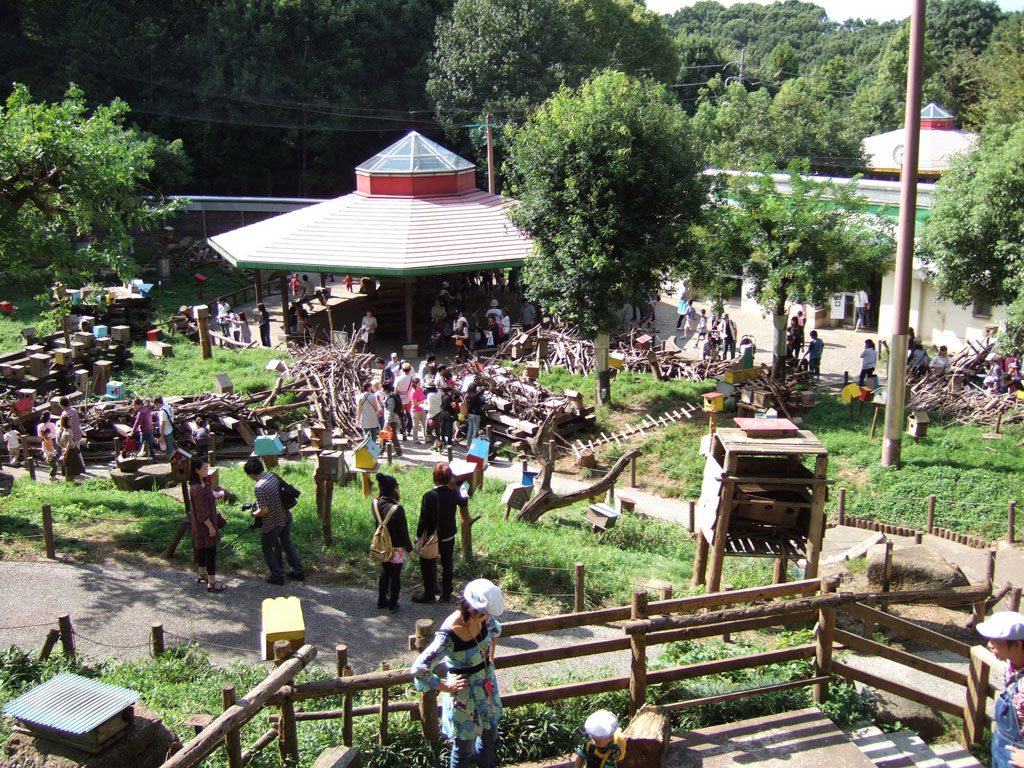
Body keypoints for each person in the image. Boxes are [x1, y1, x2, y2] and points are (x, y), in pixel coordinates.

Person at [411, 579, 504, 768]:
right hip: (464, 695)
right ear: (471, 609)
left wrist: (490, 658)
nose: (487, 619)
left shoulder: (485, 618)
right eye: (484, 616)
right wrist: (446, 687)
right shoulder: (448, 635)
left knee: (490, 736)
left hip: (486, 687)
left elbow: (495, 631)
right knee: (464, 749)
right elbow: (419, 668)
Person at [413, 462, 467, 604]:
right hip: (448, 536)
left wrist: (418, 537)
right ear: (449, 479)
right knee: (447, 564)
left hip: (431, 537)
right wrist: (462, 486)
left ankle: (429, 593)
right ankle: (446, 594)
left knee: (427, 563)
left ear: (434, 478)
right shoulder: (453, 494)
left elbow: (423, 520)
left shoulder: (429, 496)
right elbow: (464, 502)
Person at [245, 457, 304, 585]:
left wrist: (253, 513)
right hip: (285, 516)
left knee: (266, 548)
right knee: (287, 543)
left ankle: (277, 575)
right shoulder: (273, 476)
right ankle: (298, 571)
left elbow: (264, 510)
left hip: (272, 522)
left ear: (251, 474)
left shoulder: (259, 487)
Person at [977, 611, 1024, 768]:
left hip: (1017, 756)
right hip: (1001, 745)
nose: (989, 645)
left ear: (1017, 645)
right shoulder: (1013, 665)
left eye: (996, 641)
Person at [372, 473, 412, 612]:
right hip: (396, 548)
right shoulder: (397, 509)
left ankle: (381, 600)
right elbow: (403, 532)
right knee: (395, 576)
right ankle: (393, 603)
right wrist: (410, 549)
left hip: (382, 546)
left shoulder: (375, 503)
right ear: (393, 489)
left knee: (385, 572)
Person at [188, 457, 225, 592]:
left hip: (206, 524)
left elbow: (209, 494)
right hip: (204, 526)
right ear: (196, 470)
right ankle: (212, 582)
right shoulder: (197, 489)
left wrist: (217, 495)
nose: (207, 470)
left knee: (202, 549)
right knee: (210, 552)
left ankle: (202, 573)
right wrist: (211, 528)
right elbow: (202, 513)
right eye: (204, 468)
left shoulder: (203, 484)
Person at [58, 413, 85, 481]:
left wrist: (63, 448)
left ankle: (68, 481)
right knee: (71, 469)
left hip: (66, 450)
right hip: (71, 451)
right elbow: (69, 444)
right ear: (66, 422)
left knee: (68, 468)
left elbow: (58, 441)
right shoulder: (69, 432)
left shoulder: (61, 431)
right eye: (70, 421)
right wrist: (65, 453)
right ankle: (70, 481)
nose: (71, 422)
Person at [381, 381, 403, 457]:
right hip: (389, 420)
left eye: (382, 388)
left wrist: (387, 422)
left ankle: (398, 452)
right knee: (384, 436)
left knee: (392, 436)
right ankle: (380, 451)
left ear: (386, 389)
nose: (381, 389)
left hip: (391, 420)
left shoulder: (390, 398)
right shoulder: (388, 396)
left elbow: (390, 411)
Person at [395, 363, 414, 439]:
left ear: (402, 370)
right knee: (409, 414)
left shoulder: (398, 378)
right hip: (409, 399)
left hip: (400, 400)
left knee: (400, 416)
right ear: (410, 370)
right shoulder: (412, 378)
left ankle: (403, 432)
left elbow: (396, 390)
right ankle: (409, 429)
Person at [37, 412, 58, 477]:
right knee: (54, 453)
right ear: (49, 418)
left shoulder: (39, 426)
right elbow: (55, 433)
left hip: (44, 439)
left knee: (48, 453)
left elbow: (39, 435)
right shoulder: (52, 424)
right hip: (53, 440)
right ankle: (54, 468)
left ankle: (51, 465)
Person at [464, 384, 485, 449]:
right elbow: (481, 403)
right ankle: (473, 446)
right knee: (475, 431)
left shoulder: (467, 396)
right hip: (476, 414)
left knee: (469, 430)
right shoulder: (476, 396)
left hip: (469, 414)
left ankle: (468, 445)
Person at [410, 378, 427, 443]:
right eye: (419, 383)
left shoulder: (421, 390)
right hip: (415, 411)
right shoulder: (413, 392)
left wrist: (424, 401)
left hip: (422, 409)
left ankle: (426, 437)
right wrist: (422, 401)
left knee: (425, 424)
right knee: (415, 425)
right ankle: (415, 439)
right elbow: (415, 403)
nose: (420, 384)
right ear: (415, 384)